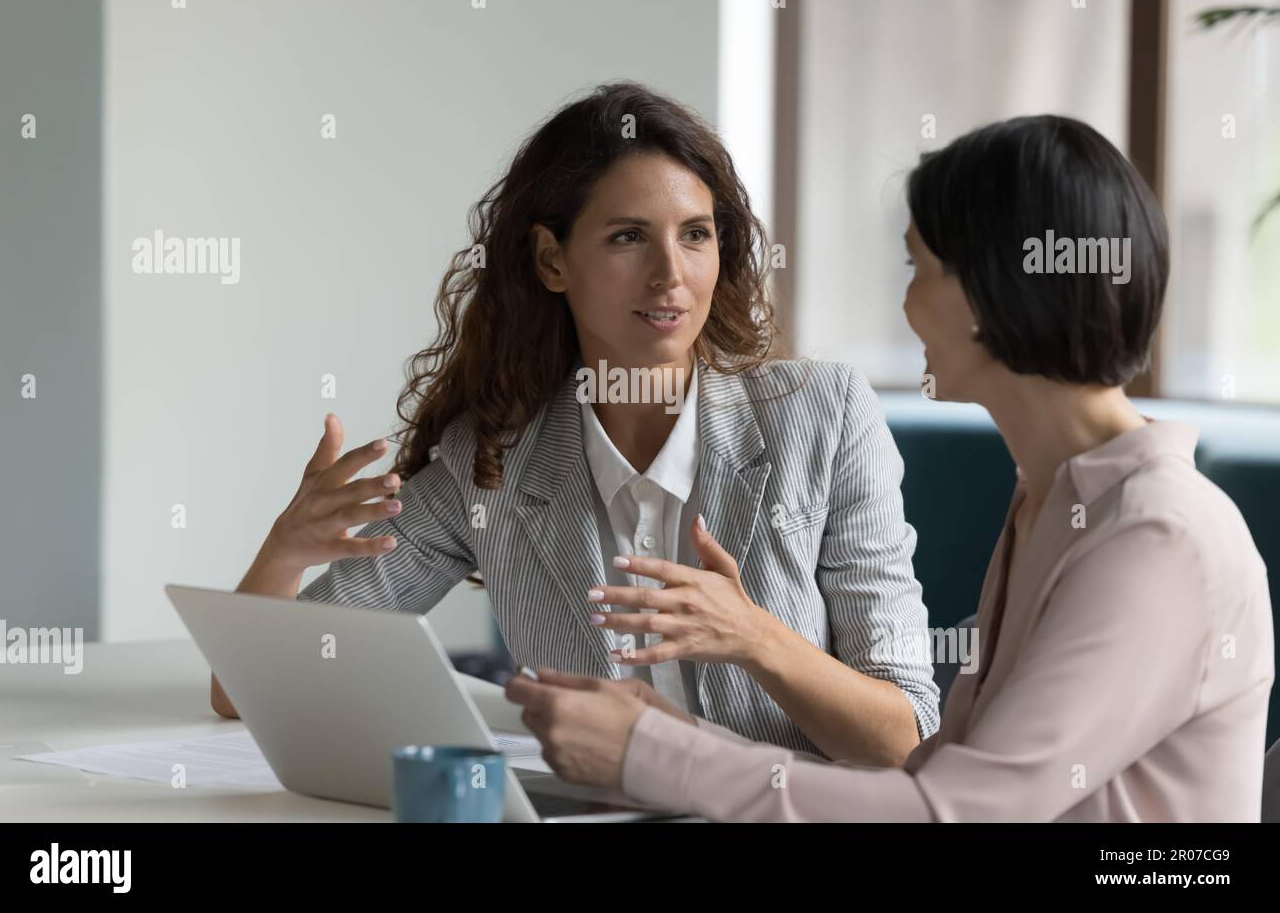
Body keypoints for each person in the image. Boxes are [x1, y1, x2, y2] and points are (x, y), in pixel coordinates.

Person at [507, 114, 1275, 821]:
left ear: (990, 290)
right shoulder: (1052, 502)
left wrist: (657, 753)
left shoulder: (1157, 536)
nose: (905, 304)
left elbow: (954, 813)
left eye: (919, 267)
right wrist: (673, 735)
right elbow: (924, 779)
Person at [211, 81, 940, 766]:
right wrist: (285, 551)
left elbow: (908, 736)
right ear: (551, 259)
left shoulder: (824, 415)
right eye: (628, 237)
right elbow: (245, 690)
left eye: (695, 234)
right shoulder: (490, 462)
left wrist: (757, 640)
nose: (670, 274)